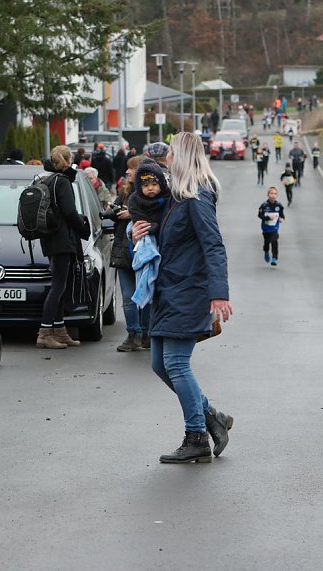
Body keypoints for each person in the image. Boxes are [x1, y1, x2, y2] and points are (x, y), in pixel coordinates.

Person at [131, 132, 233, 464]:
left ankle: (196, 437)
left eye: (172, 154)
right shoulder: (176, 196)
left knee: (175, 363)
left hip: (188, 291)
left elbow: (213, 245)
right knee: (159, 364)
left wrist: (218, 293)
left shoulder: (197, 197)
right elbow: (166, 237)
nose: (168, 159)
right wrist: (137, 233)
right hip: (167, 290)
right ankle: (212, 416)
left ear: (184, 157)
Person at [36, 145, 91, 349]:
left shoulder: (46, 179)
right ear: (68, 161)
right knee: (58, 286)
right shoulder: (62, 181)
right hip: (62, 240)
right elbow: (69, 212)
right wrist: (82, 227)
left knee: (59, 286)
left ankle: (59, 331)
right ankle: (44, 333)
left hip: (49, 238)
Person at [106, 155, 150, 352]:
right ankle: (133, 334)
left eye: (131, 168)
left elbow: (158, 215)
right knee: (128, 296)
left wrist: (133, 213)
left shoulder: (150, 192)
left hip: (143, 250)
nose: (127, 172)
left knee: (145, 295)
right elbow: (114, 213)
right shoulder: (124, 191)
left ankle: (146, 333)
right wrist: (112, 210)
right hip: (124, 250)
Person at [127, 159, 171, 310]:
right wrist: (149, 227)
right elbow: (138, 219)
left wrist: (156, 225)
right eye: (146, 186)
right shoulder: (135, 200)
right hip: (145, 235)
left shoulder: (167, 198)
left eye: (154, 184)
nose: (150, 188)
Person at [258, 186, 285, 266]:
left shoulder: (279, 206)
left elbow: (282, 215)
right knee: (267, 242)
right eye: (271, 193)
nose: (273, 195)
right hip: (266, 228)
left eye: (275, 194)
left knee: (274, 241)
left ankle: (274, 258)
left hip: (274, 228)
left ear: (277, 195)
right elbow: (260, 215)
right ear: (268, 194)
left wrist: (281, 219)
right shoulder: (264, 205)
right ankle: (266, 251)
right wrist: (268, 218)